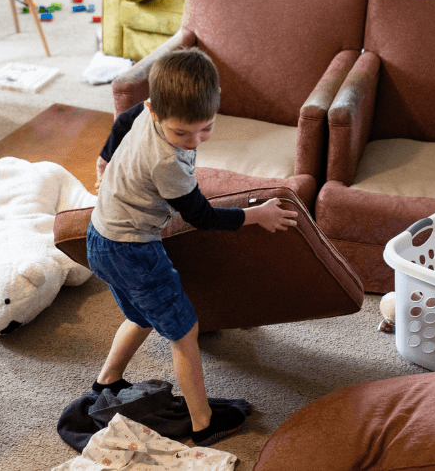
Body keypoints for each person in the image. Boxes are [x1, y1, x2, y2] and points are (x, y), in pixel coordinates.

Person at [86, 47, 298, 446]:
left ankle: (106, 383)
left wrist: (105, 157)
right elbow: (201, 216)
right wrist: (257, 215)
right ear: (156, 112)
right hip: (134, 251)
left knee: (142, 315)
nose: (193, 141)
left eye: (206, 129)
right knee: (185, 333)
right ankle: (203, 423)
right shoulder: (169, 161)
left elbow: (126, 118)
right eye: (182, 132)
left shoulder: (145, 113)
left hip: (100, 238)